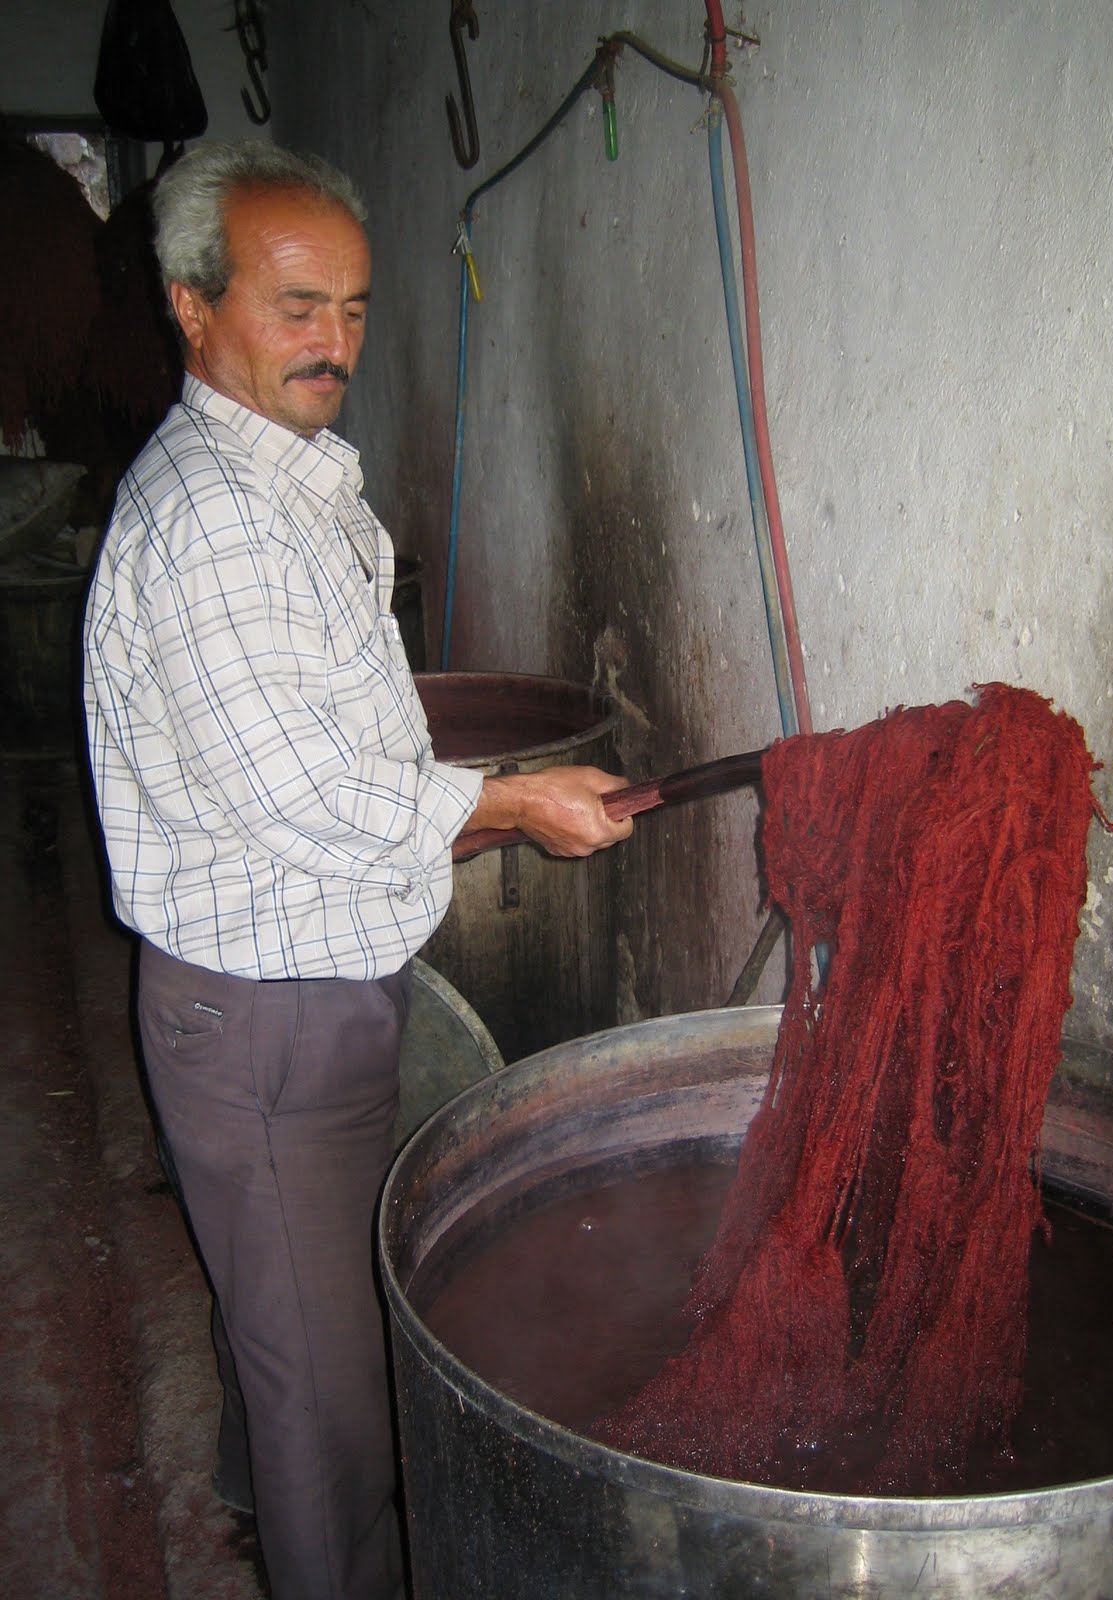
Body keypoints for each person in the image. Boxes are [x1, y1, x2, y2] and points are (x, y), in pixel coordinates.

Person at [82, 140, 631, 1600]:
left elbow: (330, 729)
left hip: (318, 979)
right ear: (193, 307)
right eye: (297, 305)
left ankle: (256, 1490)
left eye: (357, 308)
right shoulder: (210, 516)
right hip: (262, 1017)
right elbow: (300, 789)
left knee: (294, 1323)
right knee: (333, 1405)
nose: (335, 341)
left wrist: (481, 801)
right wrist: (512, 809)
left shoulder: (296, 476)